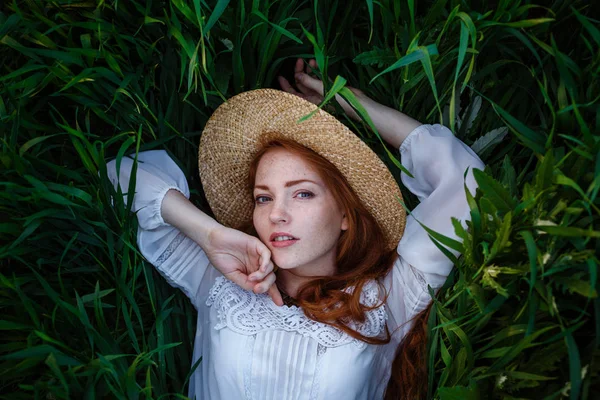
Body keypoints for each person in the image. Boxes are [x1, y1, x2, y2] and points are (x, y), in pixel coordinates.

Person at [106, 58, 485, 400]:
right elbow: (120, 174)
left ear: (345, 217)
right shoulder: (220, 280)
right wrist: (209, 235)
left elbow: (469, 185)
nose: (277, 214)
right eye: (263, 198)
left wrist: (354, 105)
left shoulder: (387, 298)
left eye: (302, 194)